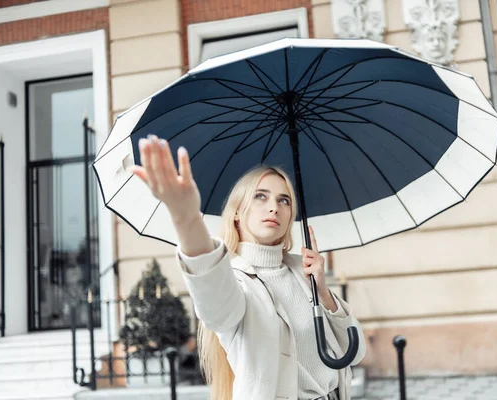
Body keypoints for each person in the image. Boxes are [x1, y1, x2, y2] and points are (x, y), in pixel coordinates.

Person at [129, 135, 367, 400]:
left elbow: (355, 353)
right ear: (236, 213)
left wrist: (323, 292)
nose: (273, 207)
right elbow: (215, 306)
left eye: (284, 200)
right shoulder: (235, 281)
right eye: (260, 197)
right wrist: (185, 216)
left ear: (290, 216)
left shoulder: (304, 275)